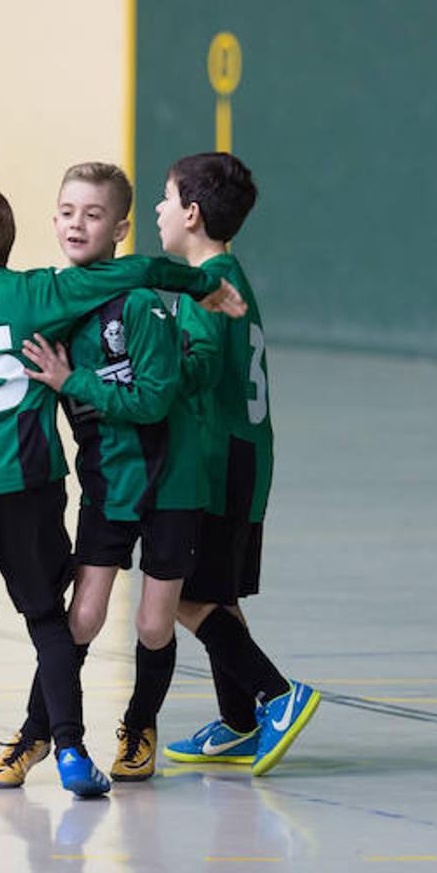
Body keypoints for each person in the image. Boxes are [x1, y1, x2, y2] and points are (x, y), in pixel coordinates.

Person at [0, 183, 245, 797]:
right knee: (53, 621)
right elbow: (135, 269)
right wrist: (197, 282)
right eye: (70, 213)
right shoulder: (39, 295)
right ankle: (71, 750)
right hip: (35, 486)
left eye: (93, 214)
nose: (79, 224)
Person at [155, 152, 320, 776]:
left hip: (219, 459)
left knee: (179, 596)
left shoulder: (207, 288)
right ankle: (240, 722)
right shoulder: (230, 275)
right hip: (246, 455)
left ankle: (277, 695)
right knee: (216, 595)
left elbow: (195, 374)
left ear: (192, 214)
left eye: (165, 199)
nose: (158, 211)